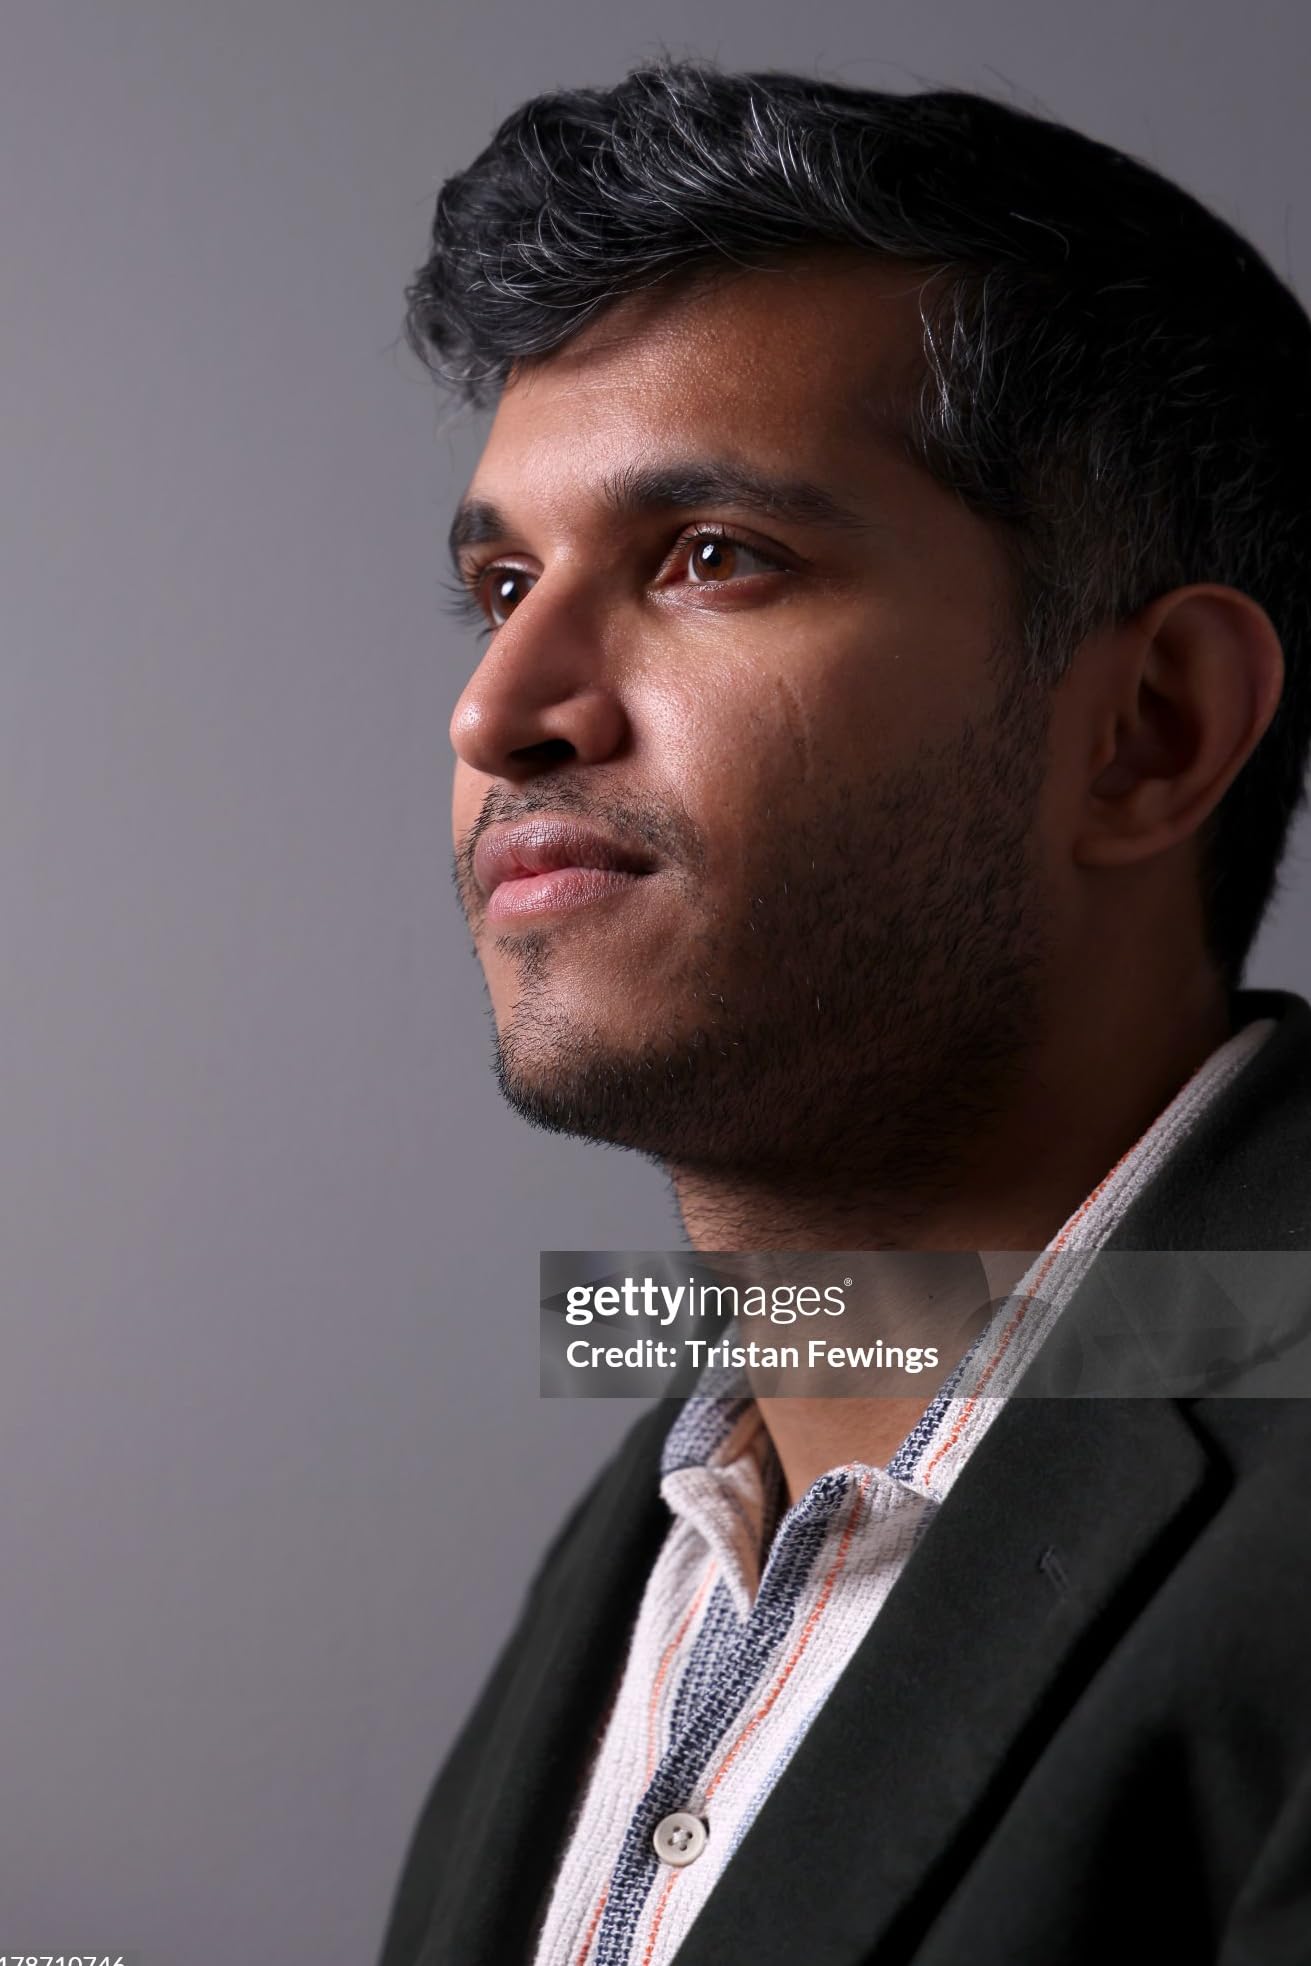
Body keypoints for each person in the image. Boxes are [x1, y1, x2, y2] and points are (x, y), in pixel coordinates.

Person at [377, 57, 1311, 1966]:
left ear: (1150, 731)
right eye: (504, 581)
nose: (501, 709)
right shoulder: (658, 1537)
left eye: (712, 557)